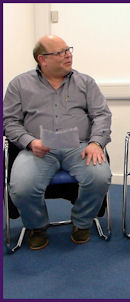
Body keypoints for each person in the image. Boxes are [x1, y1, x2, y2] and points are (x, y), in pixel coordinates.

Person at [3, 35, 112, 250]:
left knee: (100, 177)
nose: (68, 54)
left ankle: (82, 222)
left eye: (68, 49)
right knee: (22, 187)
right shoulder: (19, 84)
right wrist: (29, 141)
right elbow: (10, 122)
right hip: (38, 149)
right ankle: (37, 226)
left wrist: (96, 143)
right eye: (60, 52)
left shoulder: (86, 82)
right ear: (42, 59)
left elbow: (101, 115)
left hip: (80, 147)